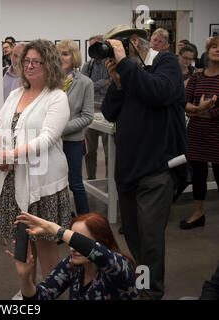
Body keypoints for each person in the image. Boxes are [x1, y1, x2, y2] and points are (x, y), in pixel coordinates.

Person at [101, 24, 187, 299]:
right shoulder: (127, 74)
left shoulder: (166, 62)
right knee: (135, 236)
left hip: (156, 170)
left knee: (150, 238)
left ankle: (151, 291)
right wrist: (116, 84)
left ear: (134, 42)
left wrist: (126, 66)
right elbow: (110, 112)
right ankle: (143, 283)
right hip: (128, 171)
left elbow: (159, 92)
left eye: (117, 49)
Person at [0, 39, 72, 299]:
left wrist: (9, 156)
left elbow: (47, 138)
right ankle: (30, 289)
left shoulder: (57, 97)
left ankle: (51, 290)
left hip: (42, 182)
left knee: (45, 245)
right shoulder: (16, 94)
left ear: (50, 65)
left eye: (37, 61)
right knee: (22, 245)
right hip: (13, 180)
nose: (30, 66)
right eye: (26, 61)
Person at [7, 212, 138, 300]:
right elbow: (41, 296)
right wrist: (24, 277)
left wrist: (53, 228)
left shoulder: (121, 265)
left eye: (78, 242)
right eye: (71, 242)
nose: (72, 247)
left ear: (103, 241)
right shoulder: (72, 265)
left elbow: (99, 254)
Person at [180, 36, 219, 229]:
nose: (217, 50)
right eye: (214, 46)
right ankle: (198, 213)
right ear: (207, 50)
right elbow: (185, 103)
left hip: (216, 135)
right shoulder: (197, 76)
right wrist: (198, 109)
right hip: (196, 134)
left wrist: (203, 111)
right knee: (198, 175)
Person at [57, 39, 94, 215]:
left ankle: (85, 222)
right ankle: (62, 222)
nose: (61, 57)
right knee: (56, 185)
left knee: (75, 184)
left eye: (65, 54)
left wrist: (61, 129)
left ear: (74, 57)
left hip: (72, 141)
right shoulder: (51, 81)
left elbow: (87, 117)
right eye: (58, 54)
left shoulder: (85, 83)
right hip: (52, 142)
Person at [82, 35, 110, 180]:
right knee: (90, 150)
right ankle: (91, 178)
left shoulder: (110, 63)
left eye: (98, 45)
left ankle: (109, 180)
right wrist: (103, 82)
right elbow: (84, 87)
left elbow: (113, 83)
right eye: (92, 45)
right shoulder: (88, 65)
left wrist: (97, 84)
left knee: (109, 150)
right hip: (91, 109)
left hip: (107, 109)